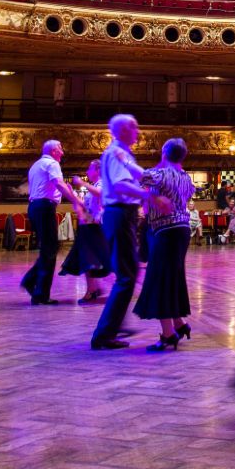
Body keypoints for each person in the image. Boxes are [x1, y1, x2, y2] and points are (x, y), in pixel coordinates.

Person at [91, 115, 149, 350]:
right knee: (126, 276)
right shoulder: (116, 153)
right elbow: (119, 185)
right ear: (123, 130)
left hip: (121, 215)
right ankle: (104, 335)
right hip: (120, 214)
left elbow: (133, 176)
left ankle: (110, 329)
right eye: (134, 126)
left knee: (127, 273)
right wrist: (148, 196)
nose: (138, 130)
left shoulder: (121, 153)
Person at [135, 138, 196, 349]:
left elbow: (138, 175)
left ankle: (169, 335)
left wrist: (120, 159)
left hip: (166, 230)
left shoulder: (160, 174)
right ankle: (180, 323)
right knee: (172, 277)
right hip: (182, 230)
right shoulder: (186, 178)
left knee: (160, 279)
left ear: (163, 153)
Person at [22, 140, 81, 304]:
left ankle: (31, 281)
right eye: (61, 149)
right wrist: (76, 200)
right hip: (44, 207)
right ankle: (40, 294)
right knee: (50, 249)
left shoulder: (36, 165)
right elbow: (59, 184)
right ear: (54, 150)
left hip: (35, 207)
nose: (62, 153)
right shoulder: (52, 164)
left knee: (49, 248)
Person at [59, 159, 111, 303]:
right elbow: (83, 204)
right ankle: (93, 288)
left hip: (95, 225)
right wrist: (71, 193)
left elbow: (100, 194)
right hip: (88, 224)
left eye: (90, 169)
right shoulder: (93, 185)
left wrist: (82, 183)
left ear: (98, 171)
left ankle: (93, 290)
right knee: (88, 259)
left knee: (91, 258)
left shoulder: (102, 183)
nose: (88, 172)